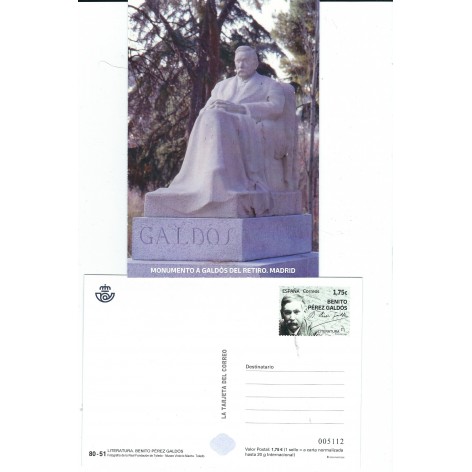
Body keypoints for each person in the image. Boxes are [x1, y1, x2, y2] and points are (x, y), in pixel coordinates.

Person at [145, 46, 298, 218]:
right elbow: (206, 108)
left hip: (248, 124)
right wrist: (210, 110)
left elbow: (276, 108)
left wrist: (241, 109)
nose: (241, 65)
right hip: (219, 123)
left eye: (245, 61)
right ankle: (199, 181)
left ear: (255, 63)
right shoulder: (221, 86)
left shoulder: (270, 85)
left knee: (216, 117)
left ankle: (220, 179)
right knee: (210, 116)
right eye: (238, 61)